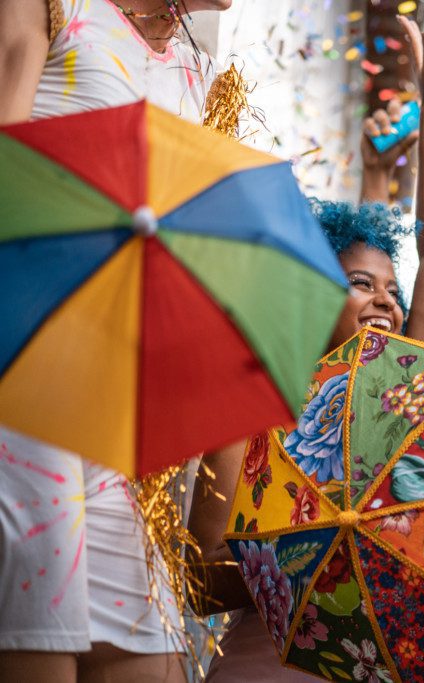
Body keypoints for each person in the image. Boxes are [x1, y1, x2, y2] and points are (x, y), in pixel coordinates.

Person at [186, 16, 424, 680]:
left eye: (392, 291)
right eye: (361, 283)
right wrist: (307, 549)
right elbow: (198, 575)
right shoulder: (254, 405)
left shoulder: (406, 400)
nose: (387, 301)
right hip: (265, 662)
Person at [0, 2, 228, 682]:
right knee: (36, 638)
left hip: (113, 393)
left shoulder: (203, 71)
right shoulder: (56, 5)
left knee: (150, 656)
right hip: (28, 351)